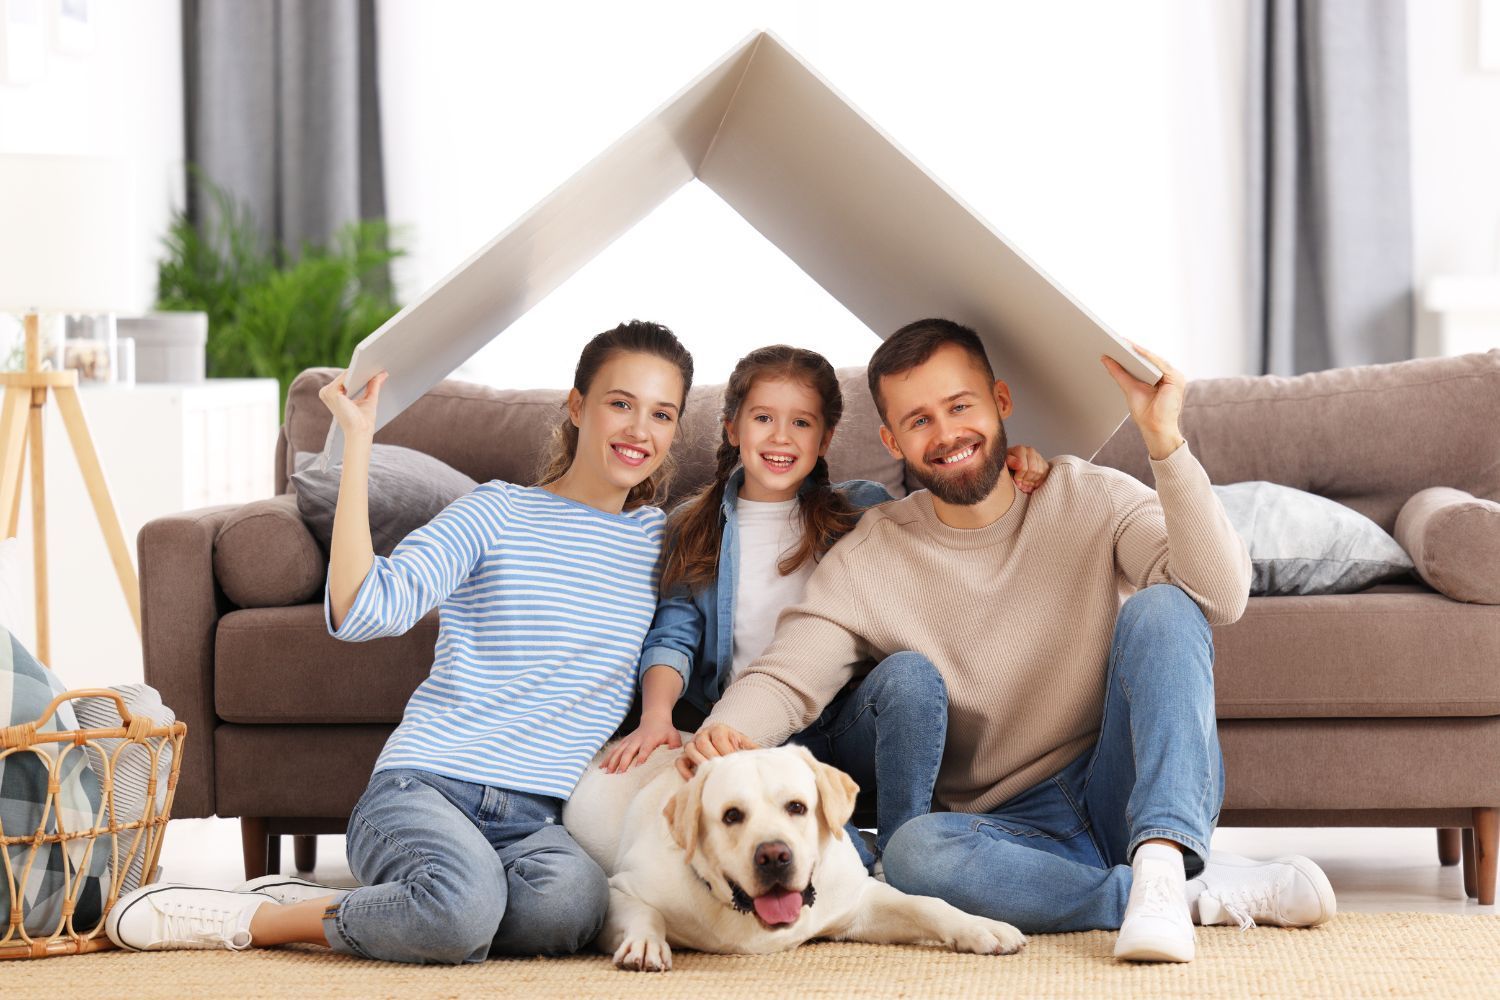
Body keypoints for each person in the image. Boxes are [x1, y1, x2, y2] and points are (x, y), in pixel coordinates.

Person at [679, 319, 1336, 963]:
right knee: (912, 854)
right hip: (1002, 830)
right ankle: (1176, 895)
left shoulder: (1089, 495)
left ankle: (1162, 862)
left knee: (1166, 606)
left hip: (1117, 783)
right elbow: (789, 676)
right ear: (892, 439)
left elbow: (1219, 595)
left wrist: (1164, 441)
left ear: (1000, 402)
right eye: (919, 421)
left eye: (959, 406)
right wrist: (718, 737)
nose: (945, 434)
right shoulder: (870, 554)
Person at [108, 321, 696, 964]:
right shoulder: (495, 511)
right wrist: (357, 445)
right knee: (462, 912)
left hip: (537, 819)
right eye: (621, 403)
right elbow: (365, 609)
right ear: (578, 406)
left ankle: (433, 902)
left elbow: (679, 631)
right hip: (426, 787)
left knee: (572, 910)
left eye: (661, 414)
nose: (640, 429)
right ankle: (258, 916)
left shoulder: (659, 542)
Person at [601, 344, 1050, 873]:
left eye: (802, 422)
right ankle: (858, 856)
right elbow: (672, 637)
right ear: (732, 428)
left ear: (826, 438)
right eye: (763, 418)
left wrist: (1013, 462)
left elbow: (952, 498)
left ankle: (909, 843)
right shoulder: (691, 525)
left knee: (909, 674)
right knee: (836, 862)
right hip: (757, 736)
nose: (781, 437)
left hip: (849, 722)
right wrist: (656, 717)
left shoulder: (862, 509)